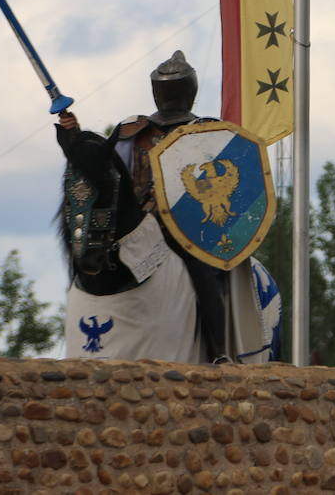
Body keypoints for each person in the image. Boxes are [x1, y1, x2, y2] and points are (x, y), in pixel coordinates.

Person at [58, 50, 232, 361]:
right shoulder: (130, 132)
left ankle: (219, 351)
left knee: (203, 271)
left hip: (185, 228)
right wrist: (75, 136)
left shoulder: (207, 133)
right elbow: (108, 173)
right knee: (91, 263)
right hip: (137, 225)